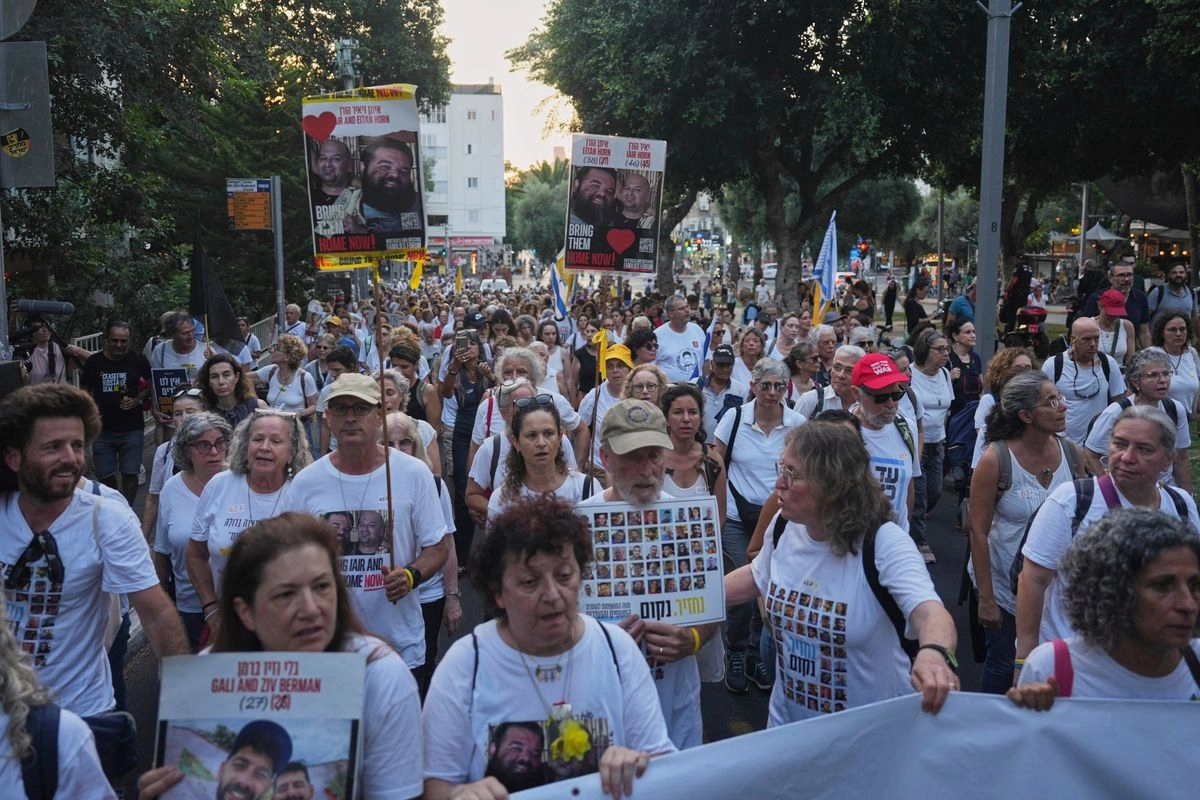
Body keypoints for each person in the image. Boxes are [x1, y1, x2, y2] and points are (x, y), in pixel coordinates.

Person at [141, 514, 426, 800]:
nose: (311, 609)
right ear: (245, 612)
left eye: (322, 587)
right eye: (286, 594)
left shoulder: (379, 676)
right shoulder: (206, 678)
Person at [422, 495, 675, 798]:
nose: (553, 595)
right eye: (530, 582)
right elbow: (435, 783)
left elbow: (661, 761)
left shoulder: (617, 650)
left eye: (564, 576)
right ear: (497, 592)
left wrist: (640, 764)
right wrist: (459, 795)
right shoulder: (465, 665)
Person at [723, 421, 959, 725]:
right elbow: (756, 576)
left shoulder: (884, 543)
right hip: (788, 731)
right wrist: (685, 602)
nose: (779, 482)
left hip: (868, 738)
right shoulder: (785, 525)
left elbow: (929, 612)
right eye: (782, 468)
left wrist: (934, 654)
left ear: (831, 484)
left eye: (792, 473)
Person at [0, 384, 188, 763]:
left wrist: (191, 714)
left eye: (77, 445)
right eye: (53, 447)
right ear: (14, 458)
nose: (71, 458)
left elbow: (155, 613)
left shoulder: (107, 518)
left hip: (80, 715)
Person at [1015, 406, 1200, 677]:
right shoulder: (1071, 501)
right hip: (1075, 668)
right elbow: (1033, 580)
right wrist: (1024, 659)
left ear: (1167, 460)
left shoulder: (1181, 505)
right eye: (1119, 444)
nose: (1127, 457)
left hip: (1150, 667)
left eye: (1144, 449)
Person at [283, 373, 449, 670]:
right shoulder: (306, 483)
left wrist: (410, 576)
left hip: (399, 645)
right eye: (341, 409)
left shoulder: (414, 473)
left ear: (379, 416)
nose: (350, 418)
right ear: (328, 417)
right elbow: (288, 557)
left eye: (361, 409)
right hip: (329, 647)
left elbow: (437, 547)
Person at [583, 398, 719, 749]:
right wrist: (598, 643)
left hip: (675, 703)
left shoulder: (690, 520)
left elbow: (711, 604)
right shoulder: (576, 526)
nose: (647, 470)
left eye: (655, 456)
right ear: (605, 458)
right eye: (632, 457)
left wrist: (693, 639)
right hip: (604, 704)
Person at [1009, 509, 1200, 706]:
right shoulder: (1052, 668)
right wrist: (1034, 711)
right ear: (1114, 592)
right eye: (1162, 586)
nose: (1188, 604)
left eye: (1195, 585)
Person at [967, 373, 1082, 693]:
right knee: (1004, 664)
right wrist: (986, 598)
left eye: (1060, 398)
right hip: (1003, 586)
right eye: (1051, 401)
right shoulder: (996, 459)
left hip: (1053, 587)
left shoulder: (1072, 454)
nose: (1063, 406)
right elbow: (978, 531)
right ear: (1026, 415)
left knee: (1051, 664)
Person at [713, 358, 805, 693]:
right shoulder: (735, 417)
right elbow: (716, 460)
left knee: (771, 586)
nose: (772, 392)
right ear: (752, 386)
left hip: (780, 518)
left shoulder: (797, 423)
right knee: (746, 582)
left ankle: (755, 650)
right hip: (738, 518)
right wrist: (720, 507)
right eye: (765, 385)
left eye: (779, 386)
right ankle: (736, 651)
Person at [188, 409, 312, 639]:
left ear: (292, 452)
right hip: (226, 624)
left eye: (276, 441)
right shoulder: (219, 485)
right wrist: (210, 608)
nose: (264, 447)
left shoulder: (303, 494)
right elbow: (195, 554)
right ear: (246, 445)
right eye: (257, 439)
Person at [386, 412, 461, 697]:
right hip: (385, 598)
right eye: (387, 443)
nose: (397, 450)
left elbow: (447, 544)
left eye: (404, 442)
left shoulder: (434, 485)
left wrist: (452, 598)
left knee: (423, 667)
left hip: (427, 594)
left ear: (416, 445)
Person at [155, 412, 231, 651]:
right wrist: (162, 609)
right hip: (189, 607)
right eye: (204, 445)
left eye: (220, 443)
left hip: (238, 607)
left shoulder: (242, 482)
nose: (214, 452)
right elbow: (162, 552)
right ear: (187, 450)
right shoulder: (171, 489)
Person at [1083, 348, 1191, 490]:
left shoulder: (1175, 409)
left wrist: (1187, 496)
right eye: (1153, 375)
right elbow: (1090, 456)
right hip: (1127, 490)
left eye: (1166, 374)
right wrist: (1113, 490)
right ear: (1135, 382)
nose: (1163, 380)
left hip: (1165, 489)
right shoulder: (1115, 412)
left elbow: (1181, 457)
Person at [849, 354, 921, 547]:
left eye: (896, 395)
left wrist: (903, 537)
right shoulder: (840, 432)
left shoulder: (906, 428)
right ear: (856, 394)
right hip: (854, 547)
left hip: (893, 545)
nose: (890, 404)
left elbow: (908, 486)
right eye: (881, 397)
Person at [77, 320, 152, 504]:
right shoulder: (94, 362)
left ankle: (127, 509)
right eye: (115, 340)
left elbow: (150, 384)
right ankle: (114, 505)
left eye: (123, 341)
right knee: (104, 474)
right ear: (106, 340)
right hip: (102, 429)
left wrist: (137, 400)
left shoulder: (138, 359)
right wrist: (89, 413)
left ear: (130, 341)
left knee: (131, 472)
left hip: (131, 427)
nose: (119, 345)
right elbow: (85, 391)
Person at [487, 396, 595, 522]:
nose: (541, 443)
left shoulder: (585, 488)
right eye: (531, 435)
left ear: (560, 437)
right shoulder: (502, 499)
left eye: (548, 433)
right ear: (515, 442)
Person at [907, 330, 954, 564]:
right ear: (926, 350)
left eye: (947, 349)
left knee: (935, 491)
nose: (946, 354)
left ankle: (915, 520)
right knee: (920, 494)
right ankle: (919, 541)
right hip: (917, 443)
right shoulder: (911, 374)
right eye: (940, 349)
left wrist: (942, 436)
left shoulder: (945, 374)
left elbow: (946, 409)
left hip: (938, 442)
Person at [1042, 317, 1126, 445]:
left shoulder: (1108, 363)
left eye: (1096, 338)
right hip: (1062, 443)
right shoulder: (1053, 365)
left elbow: (1118, 404)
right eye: (1086, 339)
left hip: (1098, 444)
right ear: (1073, 340)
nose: (1093, 344)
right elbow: (1043, 405)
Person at [969, 347, 1035, 469]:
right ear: (1004, 371)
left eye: (1028, 367)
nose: (1024, 372)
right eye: (1018, 368)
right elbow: (984, 439)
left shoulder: (1037, 401)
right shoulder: (989, 400)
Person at [576, 345, 634, 472]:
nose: (615, 370)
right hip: (600, 468)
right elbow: (580, 428)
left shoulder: (639, 393)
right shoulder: (594, 395)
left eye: (620, 366)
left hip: (632, 469)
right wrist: (580, 465)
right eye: (610, 366)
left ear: (629, 368)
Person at [350, 137, 421, 233]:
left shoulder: (414, 206)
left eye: (403, 171)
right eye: (385, 167)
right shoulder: (348, 206)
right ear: (363, 168)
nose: (395, 175)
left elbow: (410, 236)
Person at [1079, 261, 1151, 348]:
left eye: (1129, 275)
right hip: (1100, 350)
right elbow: (1085, 327)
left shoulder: (1141, 298)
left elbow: (1144, 332)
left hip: (1129, 349)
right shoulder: (1097, 298)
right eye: (1121, 275)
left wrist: (1150, 352)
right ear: (1110, 278)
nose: (1126, 279)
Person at [254, 334, 319, 422]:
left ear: (287, 357)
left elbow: (315, 405)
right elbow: (244, 379)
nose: (272, 350)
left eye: (277, 348)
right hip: (273, 425)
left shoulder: (304, 377)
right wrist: (254, 398)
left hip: (295, 426)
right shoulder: (271, 371)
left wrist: (300, 414)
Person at [695, 343, 748, 445]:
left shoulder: (740, 390)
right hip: (698, 444)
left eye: (728, 365)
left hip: (726, 446)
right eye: (721, 365)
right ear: (712, 364)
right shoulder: (696, 385)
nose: (725, 369)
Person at [794, 344, 863, 418]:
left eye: (849, 370)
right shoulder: (809, 400)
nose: (840, 375)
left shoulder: (867, 404)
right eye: (837, 367)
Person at [199, 352, 266, 429]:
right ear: (208, 382)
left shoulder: (258, 407)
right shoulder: (204, 414)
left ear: (236, 377)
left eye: (226, 375)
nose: (221, 382)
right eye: (214, 376)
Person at [149, 310, 211, 390]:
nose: (191, 336)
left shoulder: (206, 350)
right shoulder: (160, 351)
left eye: (192, 331)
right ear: (172, 335)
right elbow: (155, 383)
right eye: (185, 333)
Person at [1152, 312, 1200, 415]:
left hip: (1186, 418)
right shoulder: (1151, 354)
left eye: (1182, 329)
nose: (1178, 334)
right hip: (1157, 418)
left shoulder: (1192, 353)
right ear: (1162, 332)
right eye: (1172, 330)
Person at [653, 295, 706, 382]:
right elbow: (651, 366)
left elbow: (706, 360)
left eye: (687, 307)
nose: (687, 310)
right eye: (681, 309)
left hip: (696, 387)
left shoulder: (697, 330)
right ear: (670, 314)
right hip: (669, 388)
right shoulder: (657, 335)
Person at [945, 318, 983, 417]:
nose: (973, 335)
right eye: (968, 332)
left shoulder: (975, 358)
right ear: (955, 336)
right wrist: (949, 378)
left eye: (974, 332)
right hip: (955, 416)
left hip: (974, 415)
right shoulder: (947, 358)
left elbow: (981, 389)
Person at [1093, 288, 1137, 371]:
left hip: (1119, 373)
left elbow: (1130, 359)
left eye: (1117, 313)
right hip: (1095, 372)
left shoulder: (1127, 326)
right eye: (1109, 313)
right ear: (1100, 306)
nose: (1113, 317)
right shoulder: (1089, 325)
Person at [1147, 262, 1199, 330]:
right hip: (1159, 335)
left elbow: (1194, 318)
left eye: (1181, 272)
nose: (1178, 275)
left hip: (1182, 336)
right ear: (1168, 275)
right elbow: (1145, 316)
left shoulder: (1192, 293)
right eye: (1174, 273)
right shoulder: (1158, 292)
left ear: (1186, 275)